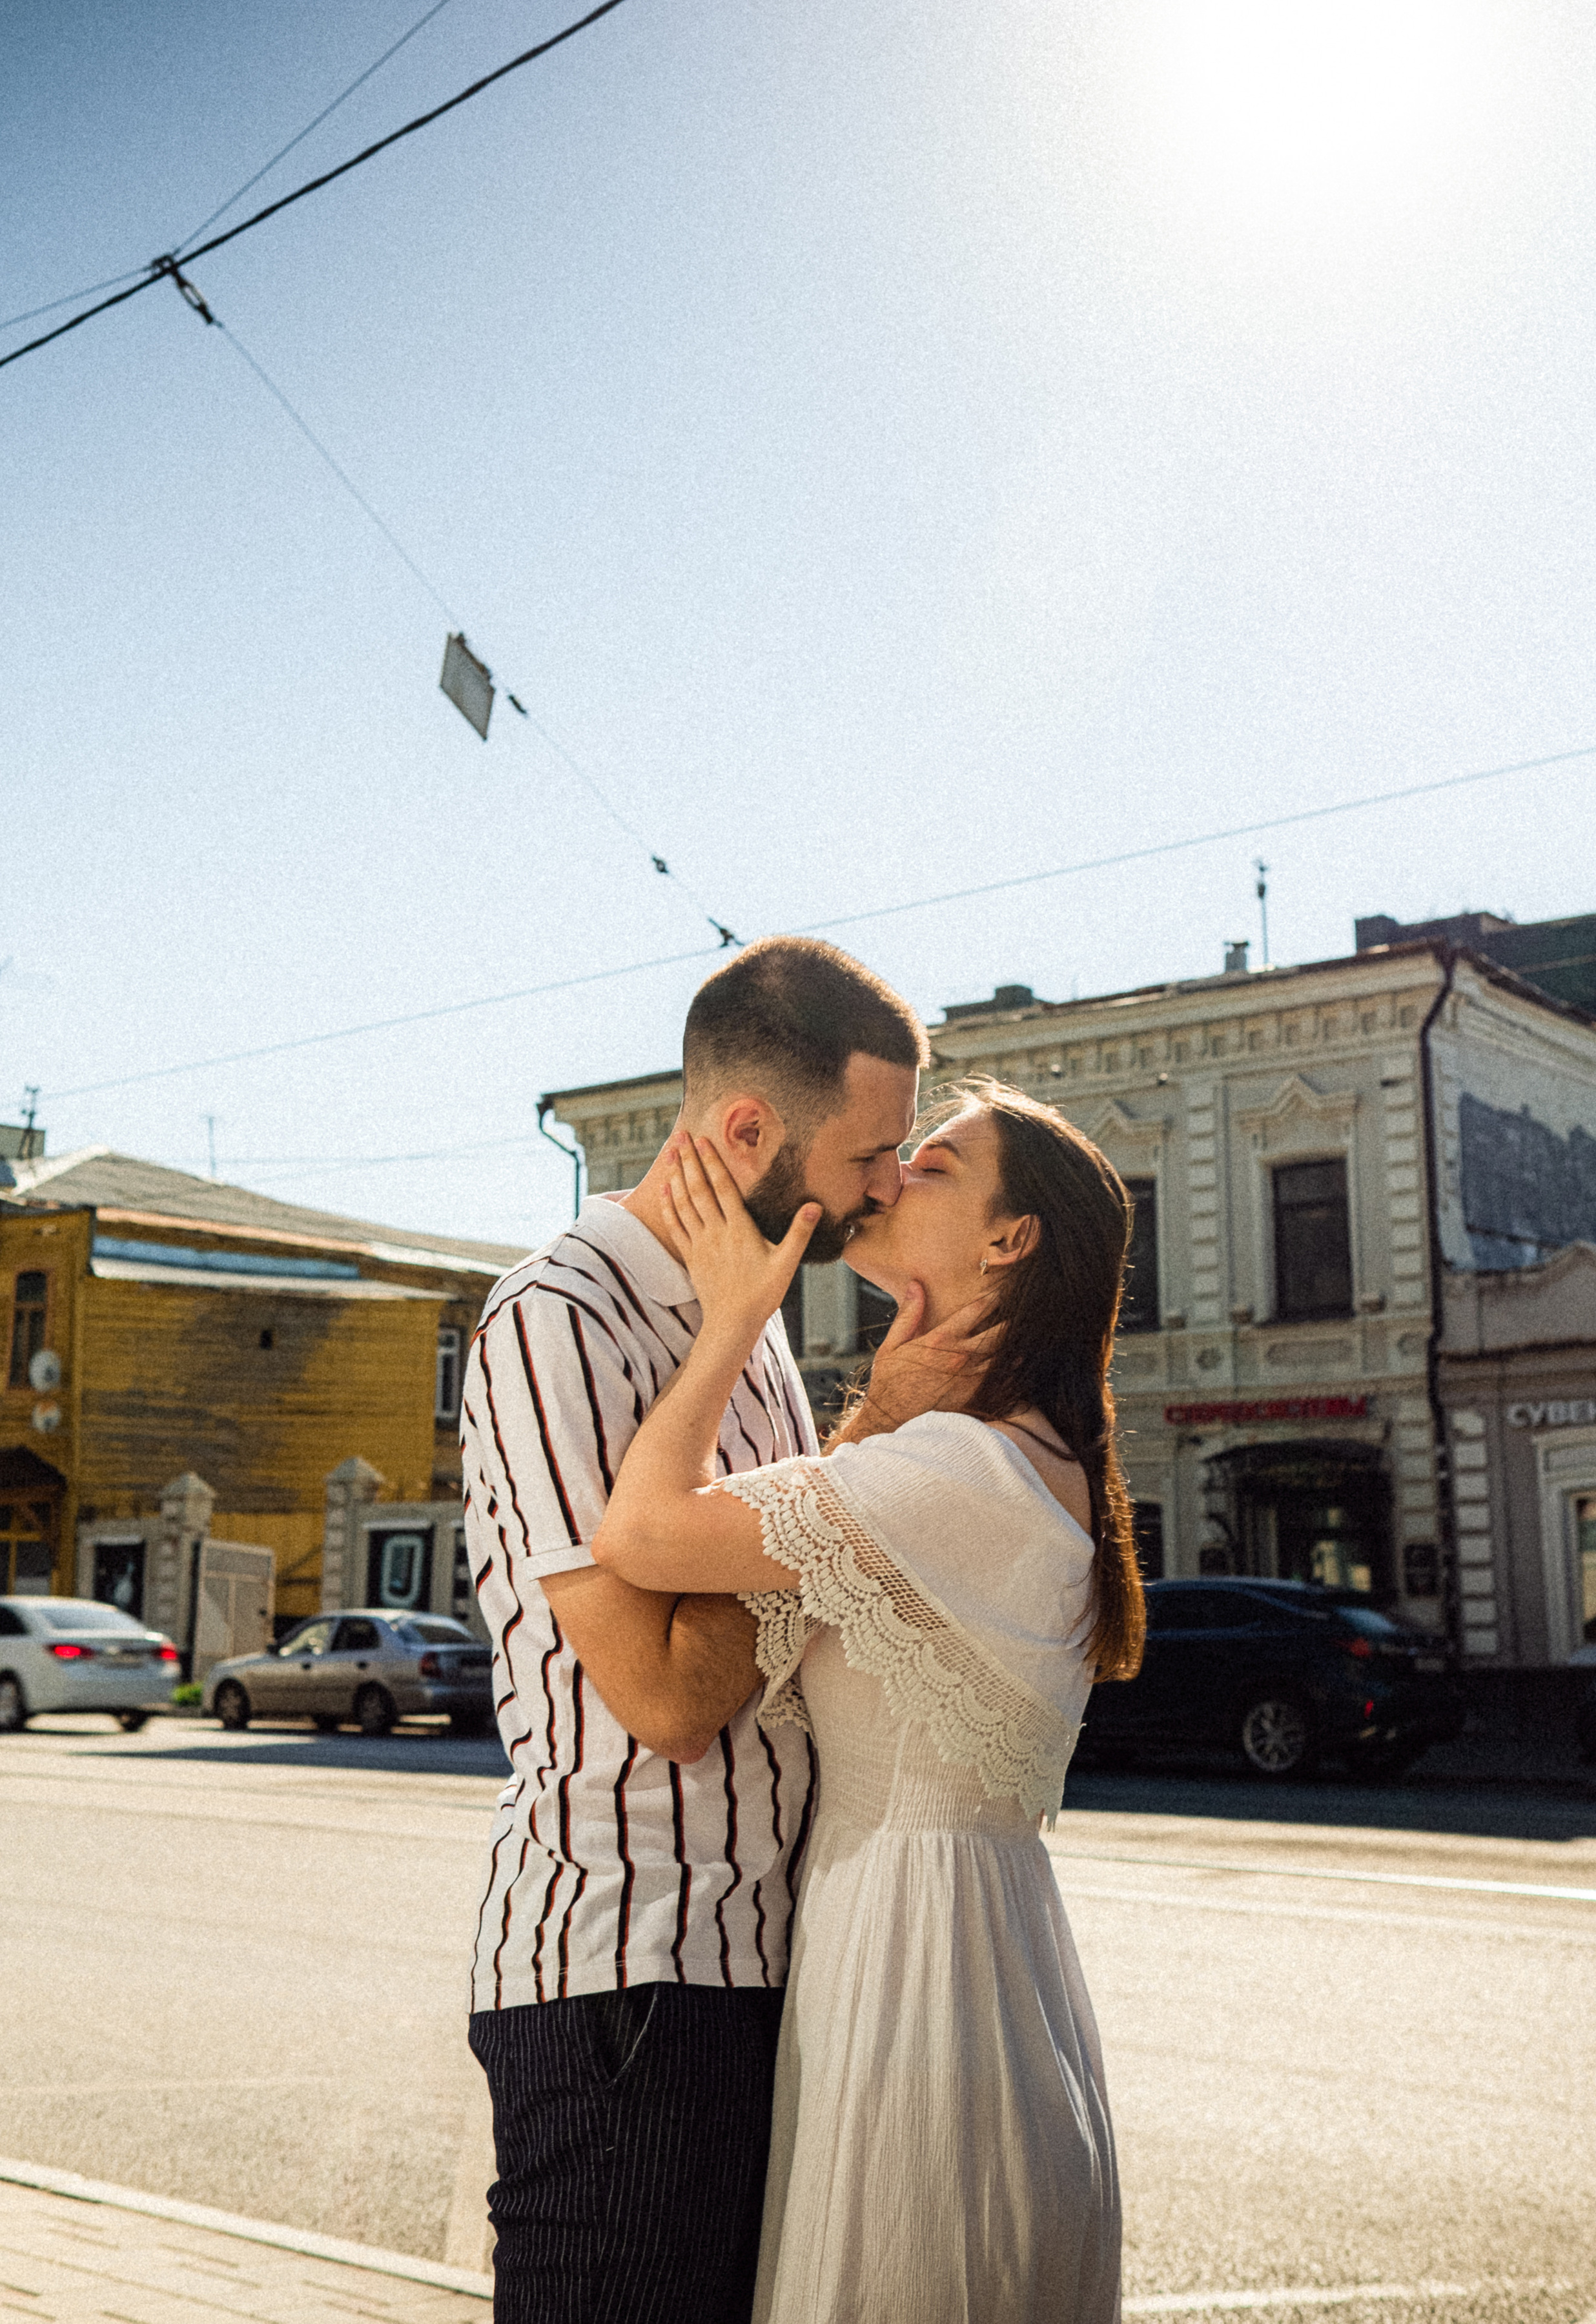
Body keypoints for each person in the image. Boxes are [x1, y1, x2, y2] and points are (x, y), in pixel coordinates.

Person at [593, 1074, 1145, 2324]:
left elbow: (641, 1533)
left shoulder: (961, 1464)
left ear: (1011, 1241)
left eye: (937, 1165)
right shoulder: (999, 1452)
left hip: (916, 1978)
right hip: (973, 1964)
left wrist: (734, 1317)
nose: (893, 1176)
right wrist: (875, 1420)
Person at [462, 935, 956, 2324]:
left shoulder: (753, 1327)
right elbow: (665, 1698)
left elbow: (773, 1596)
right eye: (870, 1152)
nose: (887, 1185)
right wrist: (847, 1476)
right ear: (747, 1128)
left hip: (754, 1964)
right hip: (627, 1974)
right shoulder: (557, 1317)